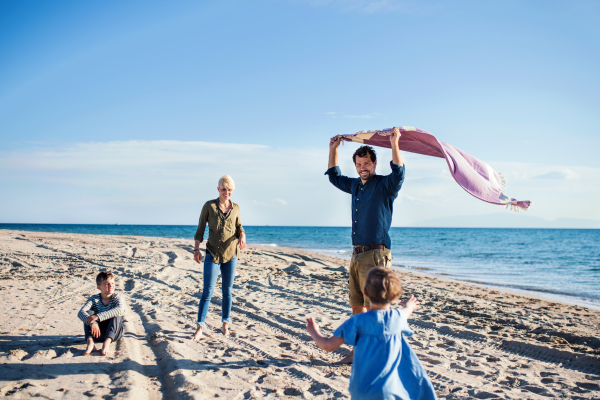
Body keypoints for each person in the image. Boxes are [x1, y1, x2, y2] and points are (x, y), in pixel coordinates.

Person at [325, 127, 405, 363]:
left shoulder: (384, 185)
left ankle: (379, 353)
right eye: (359, 164)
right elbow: (333, 176)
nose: (363, 168)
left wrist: (394, 144)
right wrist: (333, 149)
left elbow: (399, 173)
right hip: (357, 255)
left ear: (374, 163)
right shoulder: (355, 186)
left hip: (376, 255)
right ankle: (358, 351)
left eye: (367, 163)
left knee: (376, 308)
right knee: (357, 306)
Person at [306, 267, 436, 400]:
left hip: (362, 391)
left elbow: (328, 346)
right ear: (396, 296)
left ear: (365, 293)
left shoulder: (357, 321)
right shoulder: (397, 317)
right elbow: (407, 311)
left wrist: (314, 331)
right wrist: (410, 305)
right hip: (389, 391)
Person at [190, 175, 246, 340]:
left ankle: (225, 326)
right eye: (223, 189)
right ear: (218, 189)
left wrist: (242, 235)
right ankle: (200, 327)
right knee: (207, 291)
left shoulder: (236, 208)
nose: (226, 192)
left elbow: (239, 225)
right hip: (212, 253)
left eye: (229, 190)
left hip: (231, 255)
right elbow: (200, 229)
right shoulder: (209, 206)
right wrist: (196, 250)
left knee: (227, 291)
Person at [77, 271, 125, 356]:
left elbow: (120, 310)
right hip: (97, 333)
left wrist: (97, 316)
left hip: (113, 334)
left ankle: (106, 344)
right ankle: (90, 342)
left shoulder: (116, 298)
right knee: (88, 313)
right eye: (107, 284)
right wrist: (93, 322)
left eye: (112, 283)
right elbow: (80, 312)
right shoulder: (94, 299)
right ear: (99, 287)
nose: (111, 286)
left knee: (117, 314)